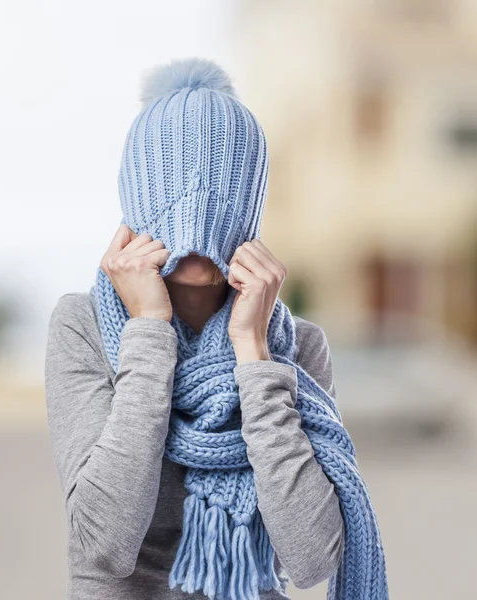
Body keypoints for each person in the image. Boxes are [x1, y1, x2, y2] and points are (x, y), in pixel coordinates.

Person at [44, 57, 345, 600]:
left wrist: (253, 355)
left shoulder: (297, 346)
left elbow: (312, 557)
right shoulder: (82, 324)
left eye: (221, 187)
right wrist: (150, 331)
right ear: (138, 203)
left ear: (250, 204)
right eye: (173, 187)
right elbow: (103, 543)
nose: (197, 216)